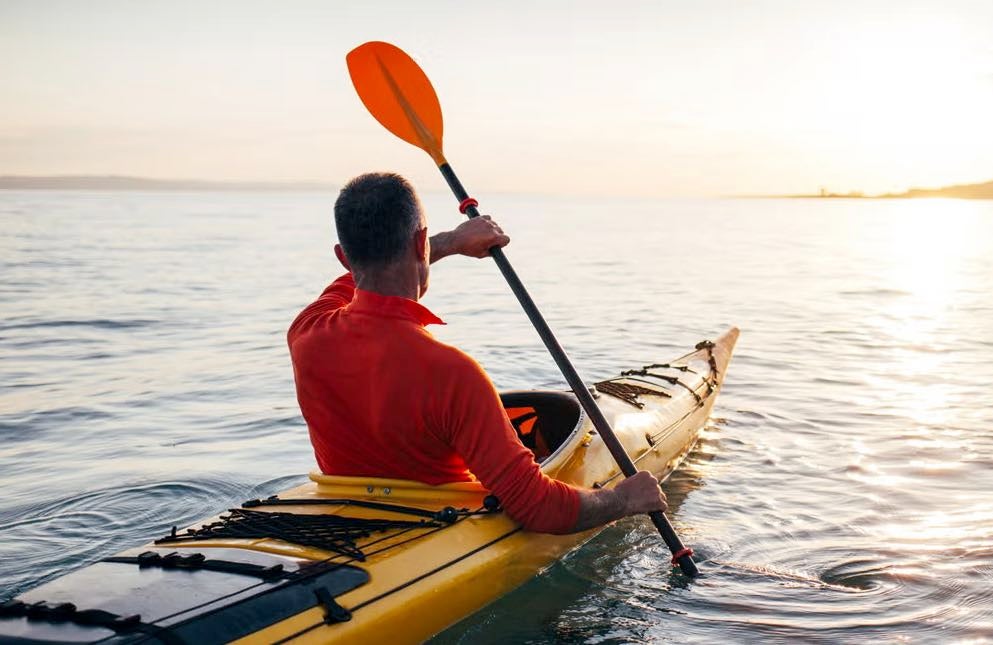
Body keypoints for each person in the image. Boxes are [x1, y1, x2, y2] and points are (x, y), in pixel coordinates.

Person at [288, 172, 667, 534]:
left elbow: (347, 285)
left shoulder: (306, 332)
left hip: (346, 520)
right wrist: (622, 499)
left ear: (342, 256)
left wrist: (450, 242)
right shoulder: (451, 373)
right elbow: (536, 507)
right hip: (437, 531)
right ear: (420, 242)